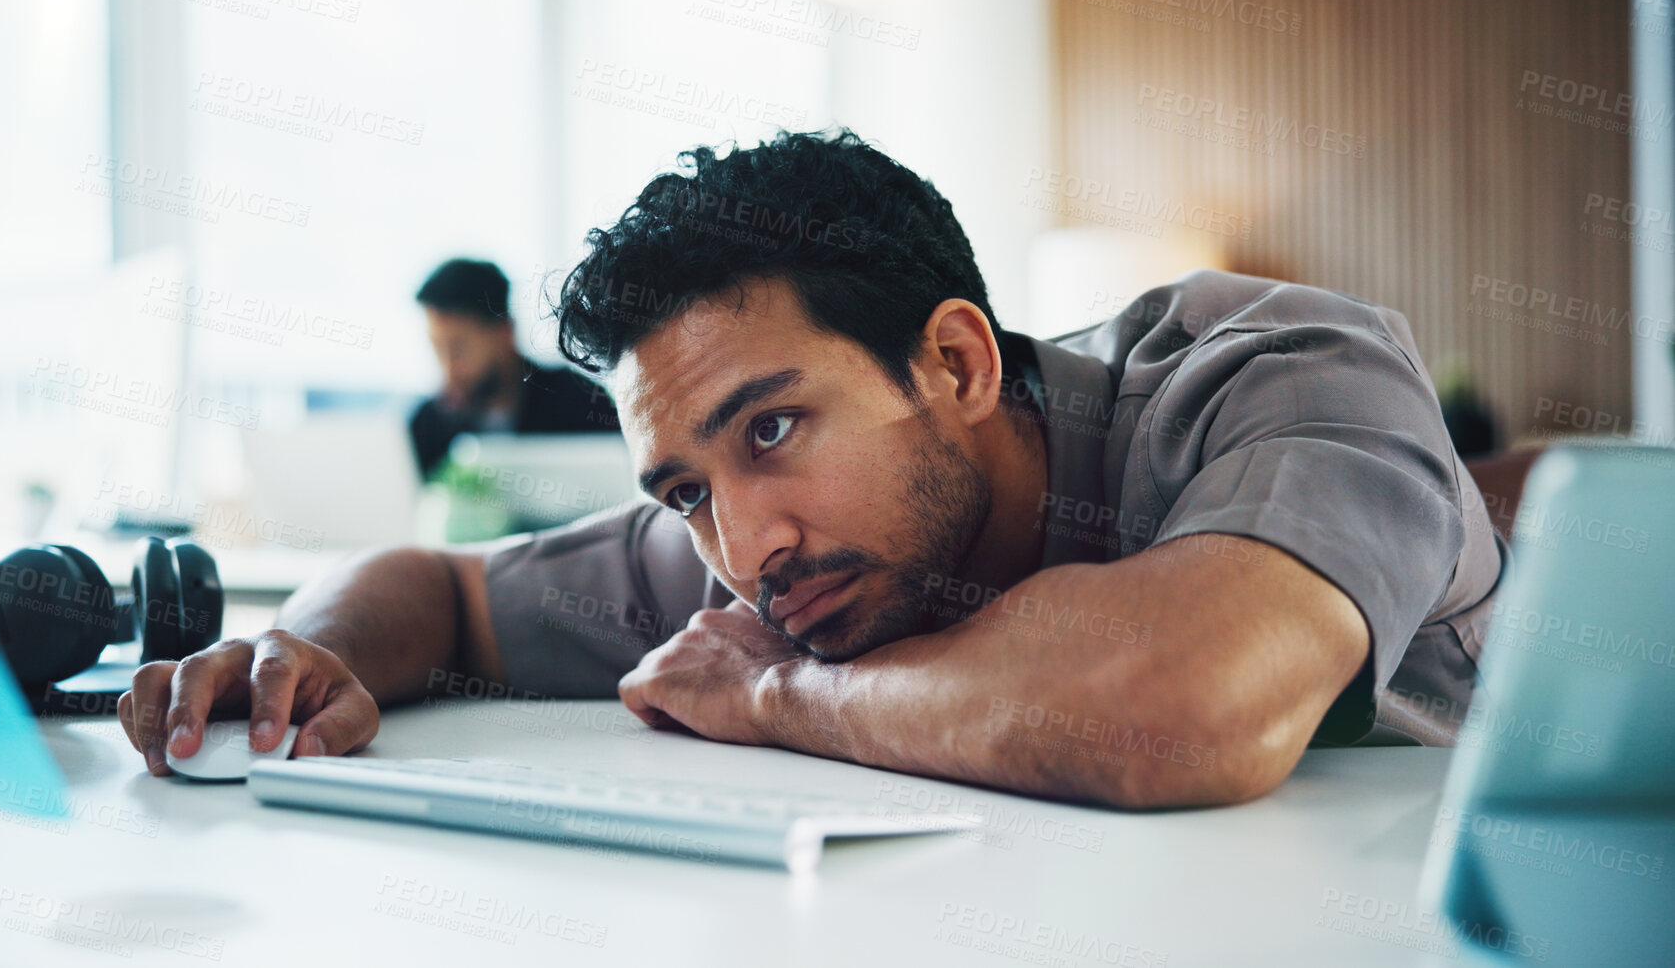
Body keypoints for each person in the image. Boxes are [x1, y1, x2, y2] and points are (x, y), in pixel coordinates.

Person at [120, 130, 1503, 808]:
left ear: (952, 364)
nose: (741, 547)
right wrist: (308, 647)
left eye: (771, 428)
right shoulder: (778, 539)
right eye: (683, 490)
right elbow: (438, 587)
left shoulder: (1273, 372)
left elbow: (1181, 699)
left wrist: (780, 693)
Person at [407, 258, 619, 479]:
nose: (449, 370)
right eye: (438, 350)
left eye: (458, 348)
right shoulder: (426, 426)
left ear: (504, 332)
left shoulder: (582, 404)